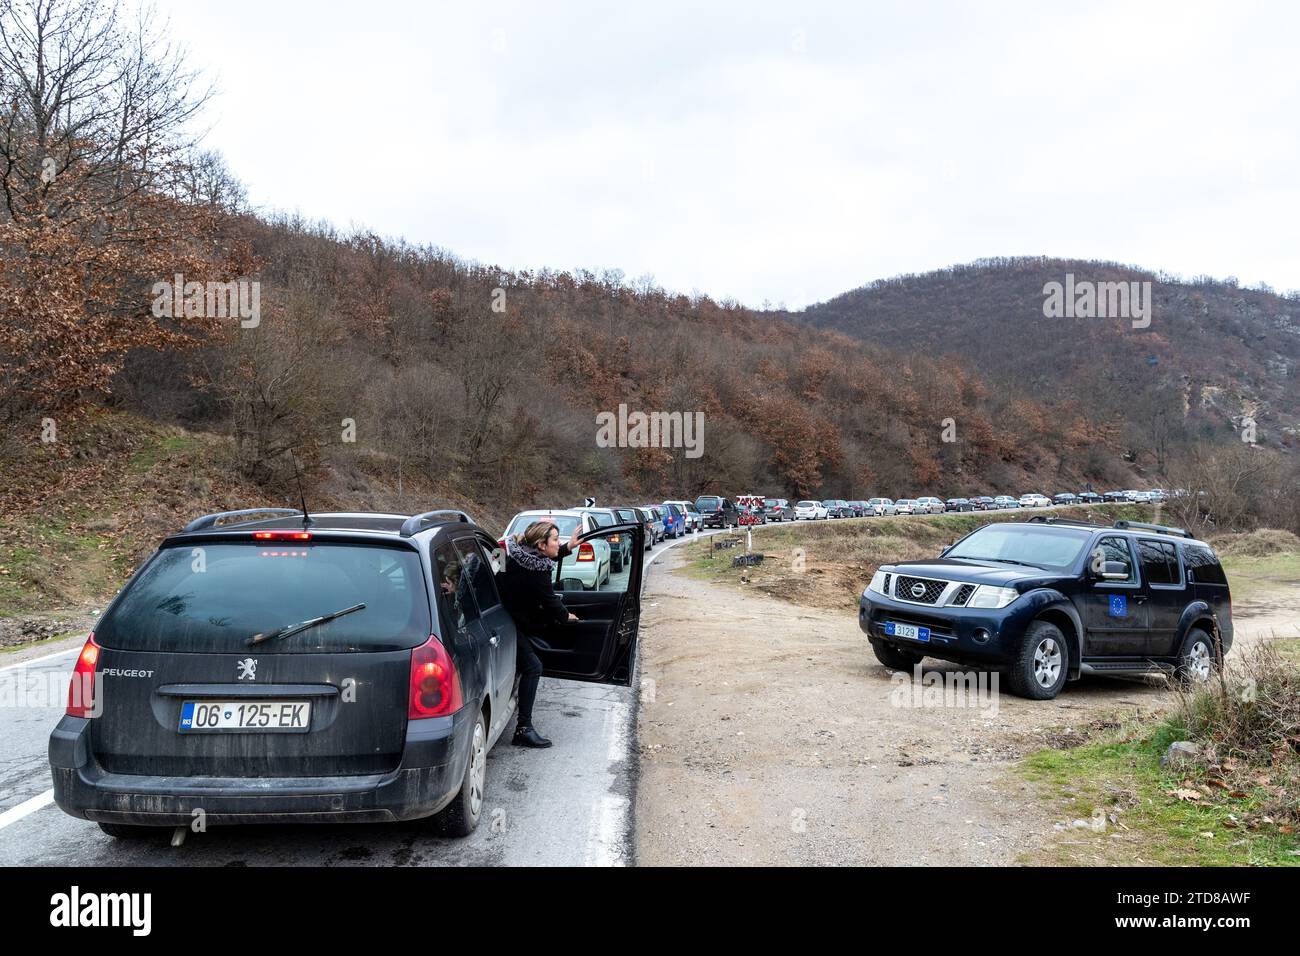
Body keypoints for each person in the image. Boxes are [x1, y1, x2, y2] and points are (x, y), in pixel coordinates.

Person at [496, 520, 582, 747]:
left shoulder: (506, 549)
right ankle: (523, 729)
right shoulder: (539, 572)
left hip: (498, 617)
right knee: (533, 667)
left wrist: (567, 548)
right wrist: (566, 616)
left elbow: (484, 570)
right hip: (509, 623)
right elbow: (551, 600)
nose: (558, 543)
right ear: (541, 545)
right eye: (556, 540)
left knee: (529, 664)